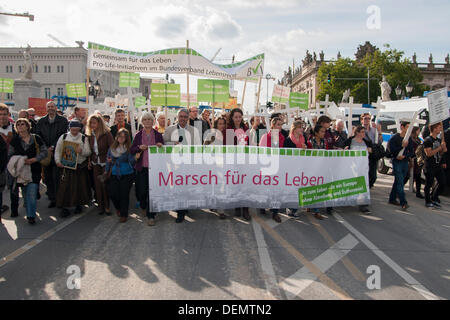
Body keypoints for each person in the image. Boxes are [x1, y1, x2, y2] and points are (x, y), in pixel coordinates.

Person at [163, 109, 201, 223]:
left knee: (187, 187)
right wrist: (172, 144)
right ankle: (180, 211)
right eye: (181, 116)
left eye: (185, 117)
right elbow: (163, 143)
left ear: (188, 118)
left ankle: (184, 207)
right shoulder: (170, 129)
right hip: (175, 164)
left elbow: (198, 147)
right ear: (177, 117)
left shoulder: (194, 131)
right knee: (178, 187)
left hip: (189, 163)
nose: (183, 119)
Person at [7, 118, 48, 225]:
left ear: (27, 126)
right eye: (18, 124)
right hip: (21, 172)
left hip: (34, 170)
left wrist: (34, 160)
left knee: (32, 193)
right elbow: (10, 155)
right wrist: (20, 160)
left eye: (22, 124)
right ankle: (28, 207)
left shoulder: (36, 138)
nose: (20, 126)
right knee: (25, 193)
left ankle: (31, 216)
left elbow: (44, 152)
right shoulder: (15, 140)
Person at [131, 112, 164, 226]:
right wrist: (139, 147)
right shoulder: (138, 135)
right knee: (142, 191)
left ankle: (151, 216)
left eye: (149, 119)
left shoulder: (158, 134)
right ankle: (143, 205)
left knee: (152, 192)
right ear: (142, 122)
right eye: (145, 119)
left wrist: (160, 145)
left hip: (154, 168)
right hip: (142, 167)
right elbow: (132, 149)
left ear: (153, 121)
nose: (147, 121)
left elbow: (164, 149)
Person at [55, 120, 92, 217]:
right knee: (65, 187)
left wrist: (81, 151)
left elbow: (88, 152)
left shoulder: (83, 138)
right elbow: (58, 150)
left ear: (79, 129)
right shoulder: (64, 137)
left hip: (80, 166)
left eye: (76, 130)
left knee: (79, 187)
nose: (74, 132)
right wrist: (58, 161)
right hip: (66, 166)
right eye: (72, 130)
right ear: (69, 129)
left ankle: (78, 205)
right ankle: (65, 207)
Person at [36, 101, 69, 208]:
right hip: (46, 153)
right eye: (49, 107)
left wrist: (53, 146)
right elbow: (38, 136)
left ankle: (59, 198)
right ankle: (52, 198)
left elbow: (63, 135)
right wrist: (45, 148)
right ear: (46, 109)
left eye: (52, 107)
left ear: (56, 108)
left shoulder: (63, 120)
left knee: (57, 176)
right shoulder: (41, 121)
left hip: (58, 152)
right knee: (47, 177)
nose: (51, 108)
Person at [106, 128, 136, 223]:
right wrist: (106, 171)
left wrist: (135, 157)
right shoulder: (112, 148)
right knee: (113, 194)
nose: (122, 138)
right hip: (114, 174)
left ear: (127, 138)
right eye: (120, 136)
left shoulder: (129, 149)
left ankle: (124, 214)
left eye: (124, 136)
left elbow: (132, 161)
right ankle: (118, 208)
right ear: (116, 137)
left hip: (127, 174)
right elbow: (108, 161)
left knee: (124, 194)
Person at [86, 114, 114, 215]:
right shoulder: (90, 135)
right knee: (97, 185)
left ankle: (107, 206)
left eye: (94, 123)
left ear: (99, 123)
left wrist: (110, 160)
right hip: (95, 162)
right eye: (91, 123)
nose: (92, 125)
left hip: (105, 162)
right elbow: (89, 150)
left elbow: (112, 147)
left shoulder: (106, 133)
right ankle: (101, 206)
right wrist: (89, 160)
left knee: (105, 185)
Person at [226, 108, 251, 221]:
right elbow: (228, 145)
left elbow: (250, 143)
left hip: (244, 161)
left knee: (245, 185)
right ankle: (237, 207)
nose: (238, 119)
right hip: (233, 161)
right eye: (235, 117)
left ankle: (245, 208)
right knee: (235, 183)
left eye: (239, 117)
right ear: (232, 118)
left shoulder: (246, 129)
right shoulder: (229, 129)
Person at [344, 125, 373, 214]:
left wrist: (370, 150)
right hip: (352, 167)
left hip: (362, 168)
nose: (364, 134)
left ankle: (363, 204)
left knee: (363, 184)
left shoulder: (367, 142)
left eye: (365, 132)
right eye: (362, 132)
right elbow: (344, 150)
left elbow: (371, 152)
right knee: (351, 184)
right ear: (357, 132)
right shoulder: (350, 141)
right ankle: (348, 199)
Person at [387, 121, 414, 211]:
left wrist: (405, 156)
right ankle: (403, 202)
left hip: (404, 162)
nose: (408, 130)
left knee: (398, 181)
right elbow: (391, 150)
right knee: (400, 182)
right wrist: (401, 147)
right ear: (402, 127)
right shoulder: (395, 138)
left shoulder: (409, 139)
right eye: (407, 127)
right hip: (397, 162)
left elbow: (412, 152)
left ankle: (392, 198)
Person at [283, 120, 307, 217]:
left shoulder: (303, 138)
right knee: (290, 188)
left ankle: (295, 208)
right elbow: (285, 154)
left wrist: (305, 148)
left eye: (302, 127)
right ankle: (289, 208)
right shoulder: (288, 140)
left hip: (300, 166)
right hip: (290, 167)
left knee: (298, 187)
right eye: (300, 127)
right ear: (295, 128)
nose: (302, 129)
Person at [423, 122, 447, 208]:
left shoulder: (439, 140)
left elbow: (440, 153)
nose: (440, 129)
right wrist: (440, 148)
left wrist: (443, 149)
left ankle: (434, 197)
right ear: (434, 129)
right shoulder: (428, 140)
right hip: (429, 165)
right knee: (428, 184)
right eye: (439, 127)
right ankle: (427, 201)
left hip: (437, 165)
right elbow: (428, 153)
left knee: (443, 182)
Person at [307, 124, 327, 219]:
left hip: (320, 168)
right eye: (322, 132)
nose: (324, 133)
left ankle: (315, 208)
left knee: (318, 189)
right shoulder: (310, 141)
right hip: (311, 168)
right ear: (316, 133)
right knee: (312, 188)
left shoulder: (324, 141)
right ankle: (316, 210)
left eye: (324, 131)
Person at [361, 113, 383, 188]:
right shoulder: (359, 130)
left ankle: (369, 186)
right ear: (362, 120)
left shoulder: (374, 130)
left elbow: (380, 142)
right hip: (364, 154)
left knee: (373, 176)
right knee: (364, 173)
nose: (367, 120)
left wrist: (379, 131)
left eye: (369, 118)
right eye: (365, 118)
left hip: (373, 154)